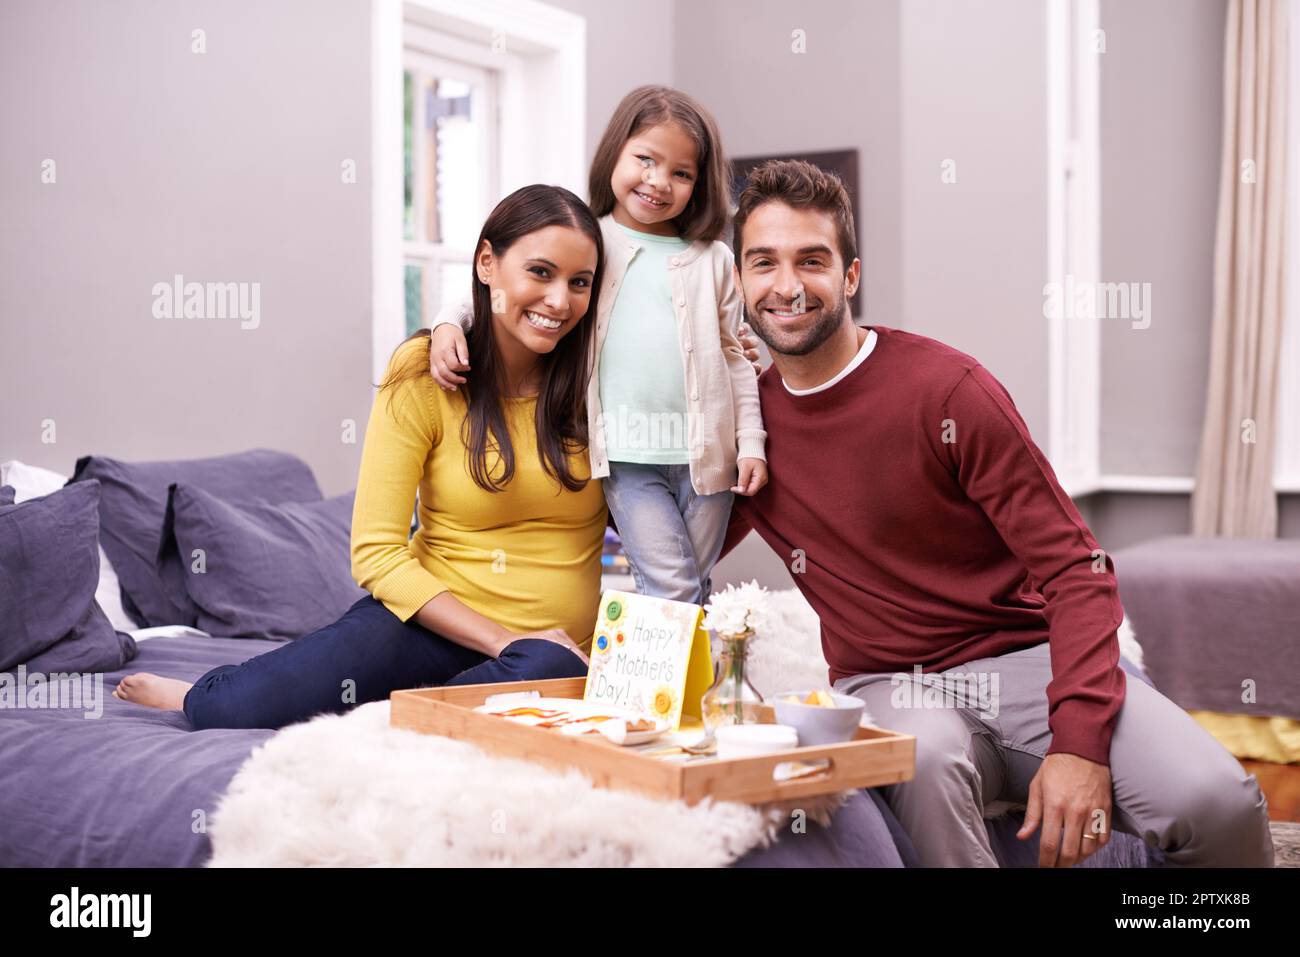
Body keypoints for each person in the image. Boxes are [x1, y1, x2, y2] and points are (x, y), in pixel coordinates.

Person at [718, 159, 1275, 868]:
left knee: (1217, 801)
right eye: (763, 262)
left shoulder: (949, 391)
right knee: (925, 760)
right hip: (893, 685)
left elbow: (1078, 569)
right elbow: (676, 540)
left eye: (812, 260)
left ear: (851, 276)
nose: (787, 285)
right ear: (738, 281)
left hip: (1030, 663)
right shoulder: (745, 429)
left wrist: (1078, 743)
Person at [113, 184, 608, 730]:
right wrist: (503, 639)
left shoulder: (600, 386)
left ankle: (402, 715)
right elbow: (376, 554)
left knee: (543, 666)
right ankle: (202, 692)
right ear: (487, 262)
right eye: (540, 272)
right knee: (230, 709)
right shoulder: (423, 372)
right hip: (427, 625)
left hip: (553, 656)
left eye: (579, 282)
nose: (560, 301)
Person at [428, 85, 767, 606]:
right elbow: (512, 289)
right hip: (628, 457)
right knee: (671, 589)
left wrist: (750, 442)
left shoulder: (714, 259)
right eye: (645, 160)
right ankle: (683, 686)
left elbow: (734, 360)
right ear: (615, 154)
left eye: (681, 173)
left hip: (709, 459)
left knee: (691, 587)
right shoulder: (591, 241)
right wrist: (449, 321)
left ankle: (694, 684)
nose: (659, 182)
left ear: (698, 184)